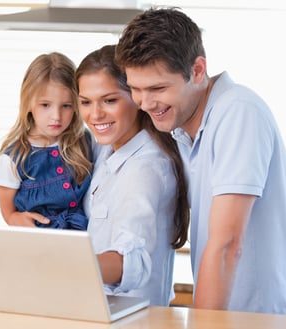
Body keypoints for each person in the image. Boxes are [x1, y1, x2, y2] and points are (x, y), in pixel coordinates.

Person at [115, 7, 286, 314]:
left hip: (257, 318)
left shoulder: (237, 111)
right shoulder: (184, 129)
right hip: (227, 316)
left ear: (198, 70)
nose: (145, 103)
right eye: (135, 89)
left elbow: (226, 244)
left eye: (157, 88)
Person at [76, 44, 190, 306]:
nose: (95, 115)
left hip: (134, 319)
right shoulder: (107, 149)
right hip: (99, 313)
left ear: (137, 99)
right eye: (85, 102)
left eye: (110, 100)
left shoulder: (145, 169)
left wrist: (62, 268)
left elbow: (132, 260)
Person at [0, 52, 93, 230]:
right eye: (45, 105)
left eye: (66, 106)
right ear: (28, 102)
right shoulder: (13, 159)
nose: (56, 116)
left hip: (81, 241)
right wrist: (19, 219)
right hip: (38, 243)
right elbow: (9, 214)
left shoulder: (85, 142)